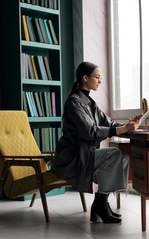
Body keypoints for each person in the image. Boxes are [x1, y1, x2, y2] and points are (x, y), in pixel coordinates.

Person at [52, 62, 142, 223]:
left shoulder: (90, 103)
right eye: (97, 77)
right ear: (85, 78)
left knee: (124, 157)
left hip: (86, 155)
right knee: (114, 155)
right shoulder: (74, 102)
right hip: (73, 159)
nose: (100, 81)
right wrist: (123, 129)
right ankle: (101, 204)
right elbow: (90, 131)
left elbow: (109, 123)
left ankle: (100, 202)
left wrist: (128, 125)